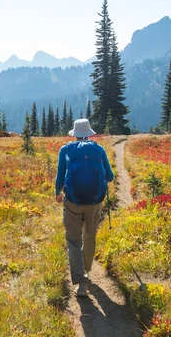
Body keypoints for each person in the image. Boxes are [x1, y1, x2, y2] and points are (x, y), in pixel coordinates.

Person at [55, 118, 114, 297]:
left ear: (75, 135)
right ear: (89, 133)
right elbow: (110, 177)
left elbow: (60, 176)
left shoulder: (65, 149)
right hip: (94, 203)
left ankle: (80, 281)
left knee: (73, 240)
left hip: (72, 201)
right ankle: (87, 272)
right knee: (90, 237)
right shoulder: (99, 149)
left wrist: (58, 193)